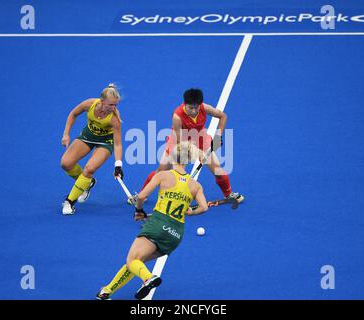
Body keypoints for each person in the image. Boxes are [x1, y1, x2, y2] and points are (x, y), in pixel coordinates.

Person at [96, 142, 209, 300]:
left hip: (157, 226)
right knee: (137, 262)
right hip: (175, 234)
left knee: (132, 260)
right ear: (188, 160)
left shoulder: (163, 175)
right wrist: (191, 211)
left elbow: (141, 197)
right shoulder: (195, 185)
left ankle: (149, 278)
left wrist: (139, 210)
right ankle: (107, 291)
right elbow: (204, 208)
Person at [133, 88, 243, 205]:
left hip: (200, 139)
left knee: (218, 170)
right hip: (179, 141)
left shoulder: (204, 108)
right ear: (185, 104)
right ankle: (141, 196)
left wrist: (218, 136)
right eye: (191, 108)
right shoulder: (177, 116)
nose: (194, 111)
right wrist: (199, 154)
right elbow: (182, 145)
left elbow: (223, 116)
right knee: (161, 170)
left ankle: (229, 194)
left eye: (197, 107)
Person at [60, 84, 124, 215]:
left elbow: (118, 144)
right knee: (66, 164)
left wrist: (118, 165)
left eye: (116, 105)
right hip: (88, 136)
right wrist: (66, 134)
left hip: (105, 142)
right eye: (111, 105)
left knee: (89, 169)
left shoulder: (114, 119)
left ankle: (69, 201)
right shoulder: (89, 104)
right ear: (102, 101)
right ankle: (87, 183)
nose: (114, 108)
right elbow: (73, 114)